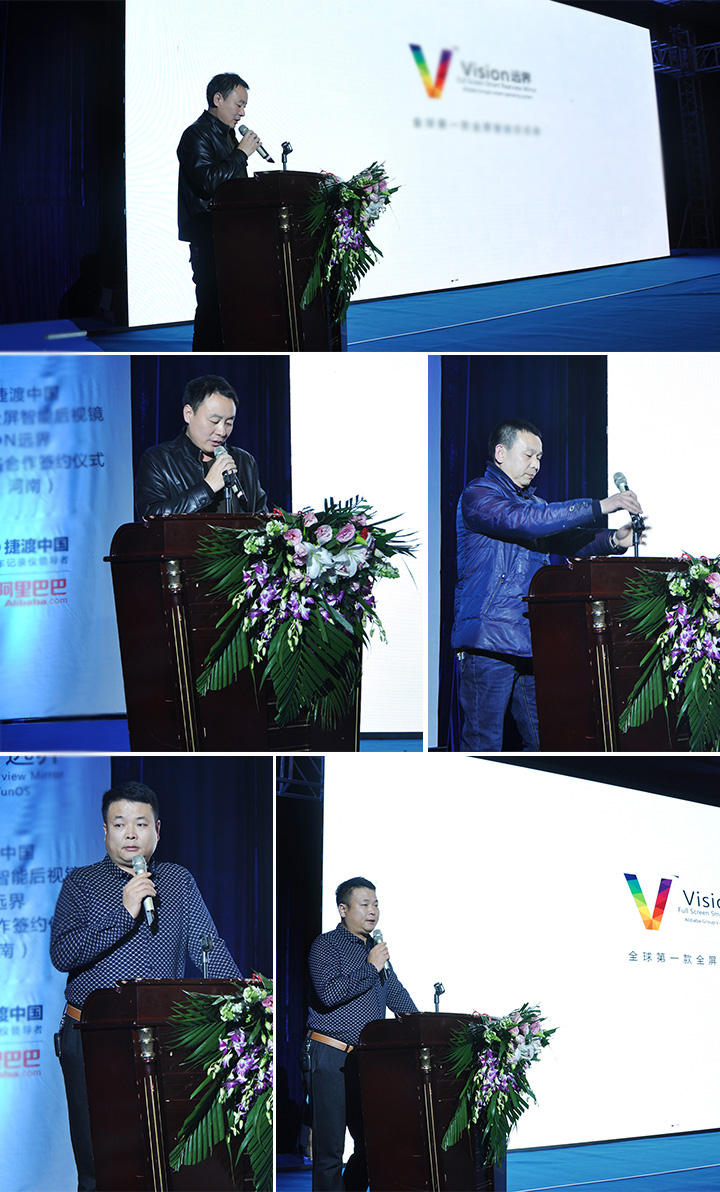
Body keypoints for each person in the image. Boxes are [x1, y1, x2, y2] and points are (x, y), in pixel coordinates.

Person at [50, 781, 241, 1191]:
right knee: (101, 1163)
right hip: (91, 1037)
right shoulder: (81, 883)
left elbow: (208, 949)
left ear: (157, 829)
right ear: (105, 831)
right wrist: (125, 912)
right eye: (120, 824)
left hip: (164, 1037)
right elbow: (63, 954)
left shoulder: (177, 880)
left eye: (141, 823)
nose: (131, 833)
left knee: (163, 1160)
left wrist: (243, 1000)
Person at [451, 417, 647, 752]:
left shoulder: (536, 506)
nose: (536, 465)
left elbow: (568, 540)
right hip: (488, 642)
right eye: (528, 455)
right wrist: (600, 506)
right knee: (483, 745)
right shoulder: (478, 494)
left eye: (539, 458)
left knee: (545, 742)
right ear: (500, 453)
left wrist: (614, 539)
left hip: (532, 642)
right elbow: (524, 522)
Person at [304, 877, 418, 1191]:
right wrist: (370, 967)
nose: (373, 911)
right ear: (343, 909)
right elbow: (328, 994)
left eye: (376, 904)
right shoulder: (326, 945)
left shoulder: (374, 952)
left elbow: (398, 997)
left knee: (372, 1143)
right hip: (330, 1055)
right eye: (365, 904)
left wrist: (424, 1025)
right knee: (330, 1152)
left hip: (366, 1062)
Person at [177, 73, 263, 350]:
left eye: (244, 106)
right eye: (239, 104)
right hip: (209, 238)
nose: (242, 113)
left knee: (236, 311)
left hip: (235, 238)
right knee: (212, 311)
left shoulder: (228, 137)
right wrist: (241, 154)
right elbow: (207, 183)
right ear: (217, 99)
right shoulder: (195, 135)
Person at [134, 374, 268, 518]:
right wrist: (207, 487)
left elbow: (261, 520)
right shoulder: (158, 460)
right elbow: (151, 517)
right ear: (188, 414)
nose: (222, 431)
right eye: (214, 421)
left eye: (229, 423)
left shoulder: (244, 461)